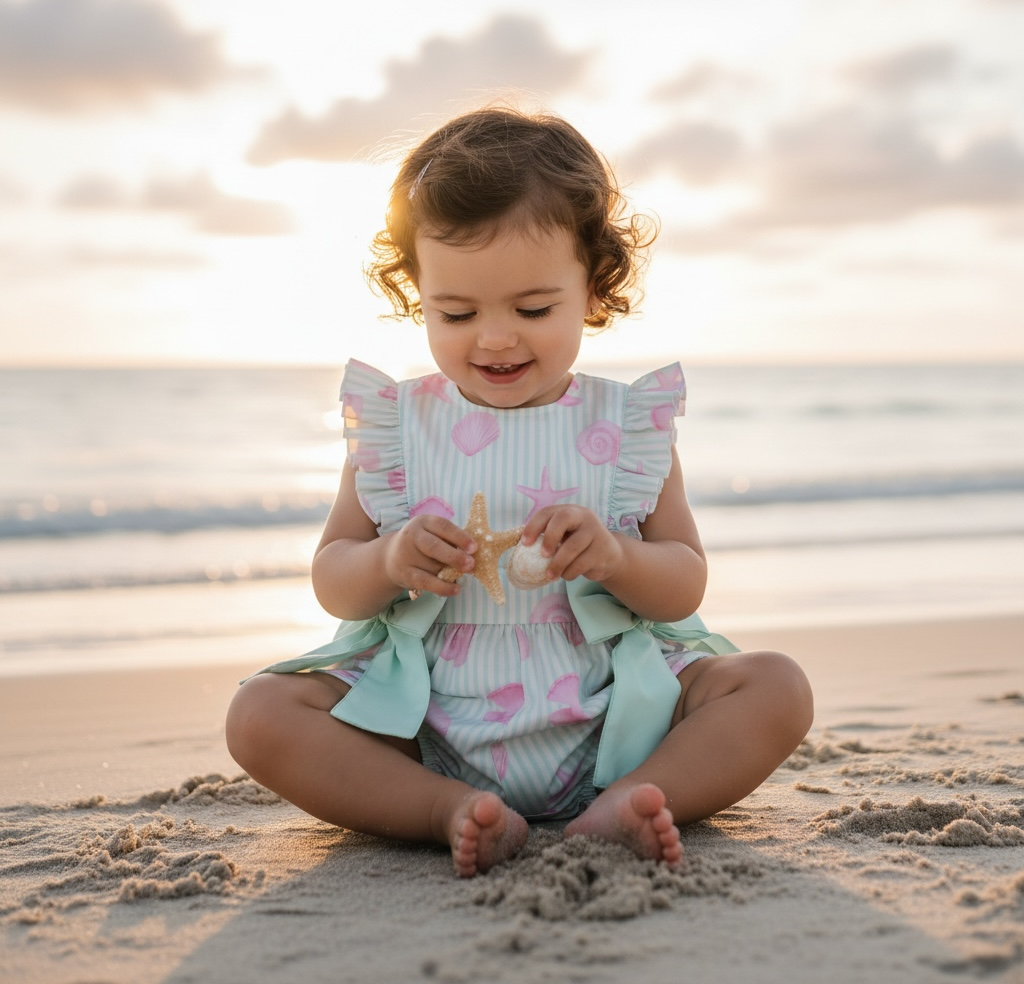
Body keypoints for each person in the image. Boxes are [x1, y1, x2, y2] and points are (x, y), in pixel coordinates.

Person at [226, 107, 813, 878]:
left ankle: (631, 798)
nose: (495, 338)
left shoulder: (628, 429)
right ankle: (441, 809)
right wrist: (390, 557)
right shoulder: (396, 430)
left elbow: (683, 584)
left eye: (533, 310)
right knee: (259, 715)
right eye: (457, 313)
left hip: (612, 717)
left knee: (777, 688)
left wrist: (614, 556)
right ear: (417, 293)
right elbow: (335, 578)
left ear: (594, 288)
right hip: (427, 721)